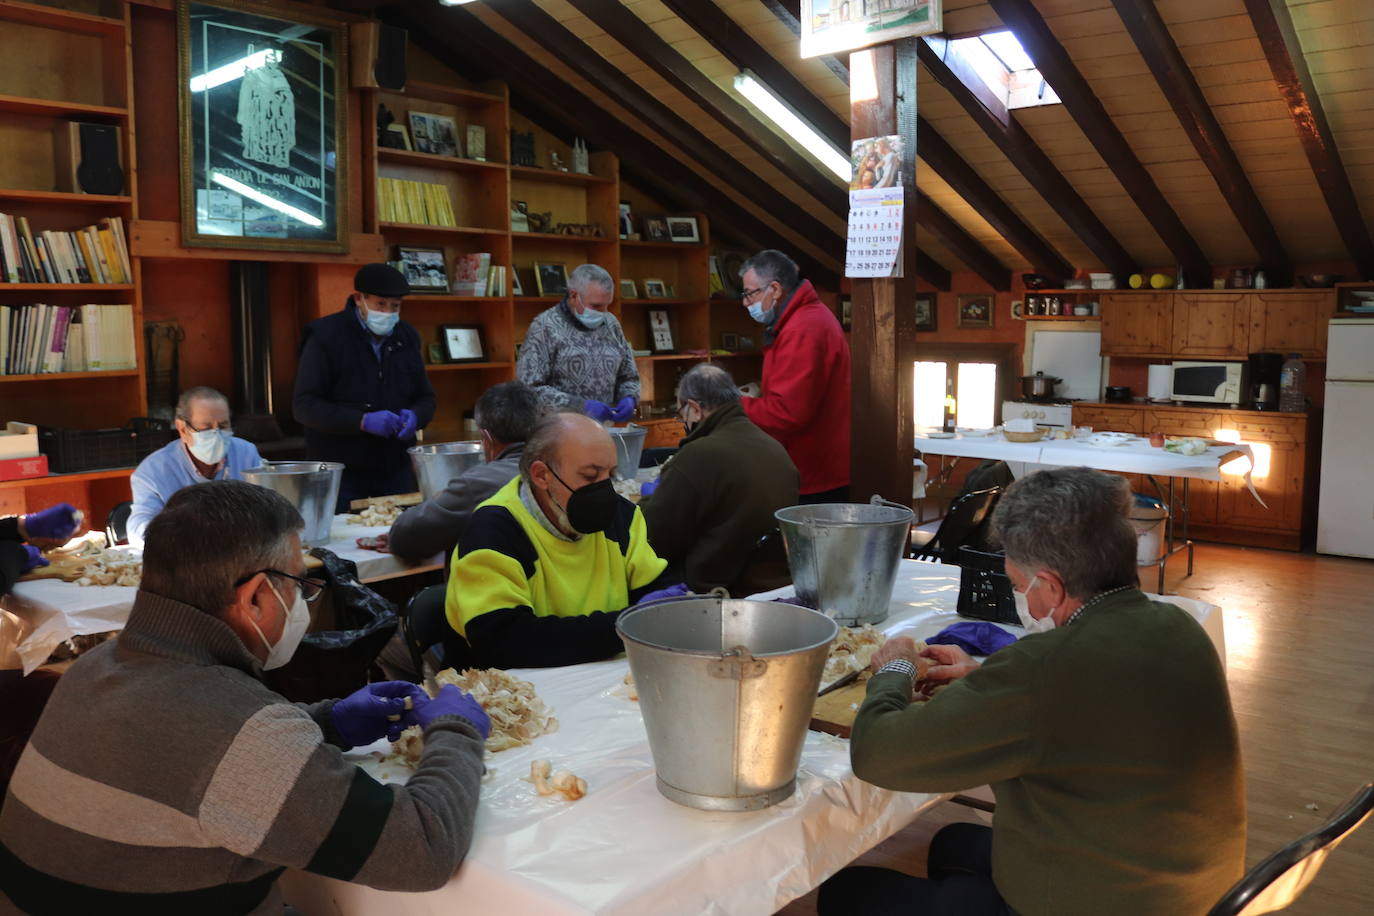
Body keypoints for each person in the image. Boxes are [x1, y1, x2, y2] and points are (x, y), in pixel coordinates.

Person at [0, 480, 490, 910]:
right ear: (256, 596)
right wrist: (456, 730)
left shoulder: (93, 666)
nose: (302, 600)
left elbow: (183, 754)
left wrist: (326, 723)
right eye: (299, 584)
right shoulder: (240, 735)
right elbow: (422, 849)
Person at [819, 467, 1245, 915]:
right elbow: (1085, 707)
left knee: (847, 893)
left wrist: (896, 667)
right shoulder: (1177, 624)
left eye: (1020, 586)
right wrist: (986, 682)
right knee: (954, 842)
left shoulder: (1042, 669)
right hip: (1187, 888)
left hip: (1112, 901)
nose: (1021, 598)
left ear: (1053, 587)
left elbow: (878, 755)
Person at [446, 413, 683, 669]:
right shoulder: (494, 530)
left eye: (611, 475)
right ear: (541, 475)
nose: (604, 491)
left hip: (601, 681)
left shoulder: (621, 518)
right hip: (519, 692)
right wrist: (625, 626)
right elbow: (503, 641)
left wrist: (667, 607)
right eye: (590, 477)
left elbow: (656, 590)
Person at [640, 364, 798, 596]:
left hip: (714, 588)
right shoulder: (773, 446)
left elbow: (653, 538)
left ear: (693, 409)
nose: (681, 420)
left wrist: (650, 499)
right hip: (775, 582)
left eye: (680, 412)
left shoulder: (699, 454)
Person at [294, 262, 436, 510]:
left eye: (396, 306)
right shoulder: (325, 337)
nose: (388, 313)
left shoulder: (407, 337)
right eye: (381, 304)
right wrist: (361, 421)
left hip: (395, 468)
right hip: (342, 471)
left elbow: (426, 397)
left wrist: (416, 417)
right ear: (359, 299)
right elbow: (305, 406)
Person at [738, 249, 851, 503]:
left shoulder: (803, 328)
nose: (745, 302)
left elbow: (787, 413)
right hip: (817, 466)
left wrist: (731, 404)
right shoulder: (803, 318)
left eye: (749, 293)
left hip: (814, 472)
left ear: (775, 290)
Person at [389, 381, 542, 564]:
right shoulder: (561, 466)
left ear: (485, 438)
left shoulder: (479, 485)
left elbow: (404, 538)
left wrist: (438, 499)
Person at [127, 386, 263, 546]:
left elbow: (268, 508)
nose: (217, 434)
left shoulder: (246, 453)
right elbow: (139, 528)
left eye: (224, 426)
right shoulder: (153, 471)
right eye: (206, 428)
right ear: (182, 429)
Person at [516, 263, 640, 422]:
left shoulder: (611, 324)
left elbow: (629, 376)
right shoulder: (544, 327)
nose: (603, 312)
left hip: (604, 431)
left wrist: (629, 397)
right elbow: (529, 390)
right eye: (596, 305)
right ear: (574, 296)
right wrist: (579, 405)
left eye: (607, 305)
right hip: (559, 435)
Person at [0, 504, 82, 596]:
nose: (47, 552)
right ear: (50, 539)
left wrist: (20, 526)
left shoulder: (10, 527)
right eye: (52, 546)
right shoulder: (14, 552)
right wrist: (20, 555)